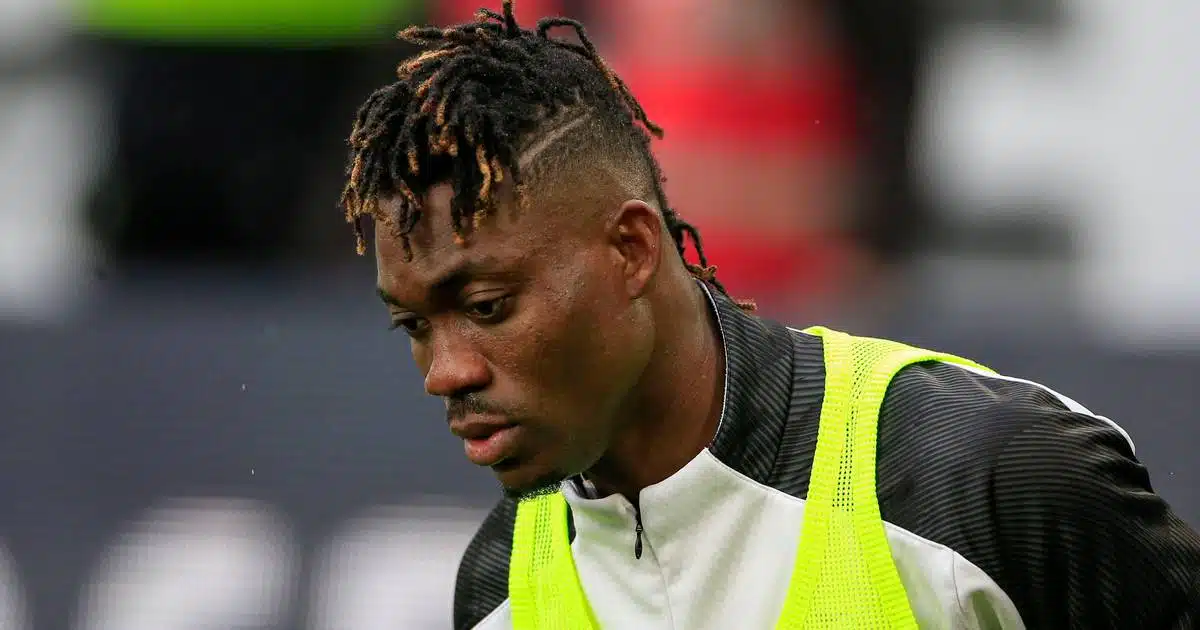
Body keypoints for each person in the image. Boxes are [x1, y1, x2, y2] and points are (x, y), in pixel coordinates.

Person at [338, 2, 1200, 628]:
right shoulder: (498, 588)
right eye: (414, 327)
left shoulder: (988, 477)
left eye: (487, 307)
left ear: (632, 250)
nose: (445, 372)